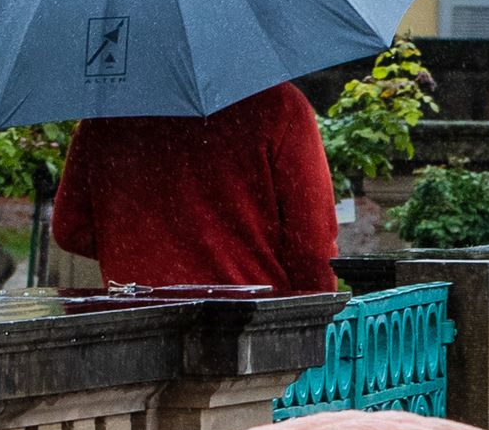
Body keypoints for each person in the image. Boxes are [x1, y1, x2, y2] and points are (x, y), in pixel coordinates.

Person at [44, 79, 342, 293]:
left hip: (135, 320)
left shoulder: (110, 114)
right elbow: (311, 246)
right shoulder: (277, 105)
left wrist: (144, 247)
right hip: (250, 325)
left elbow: (70, 228)